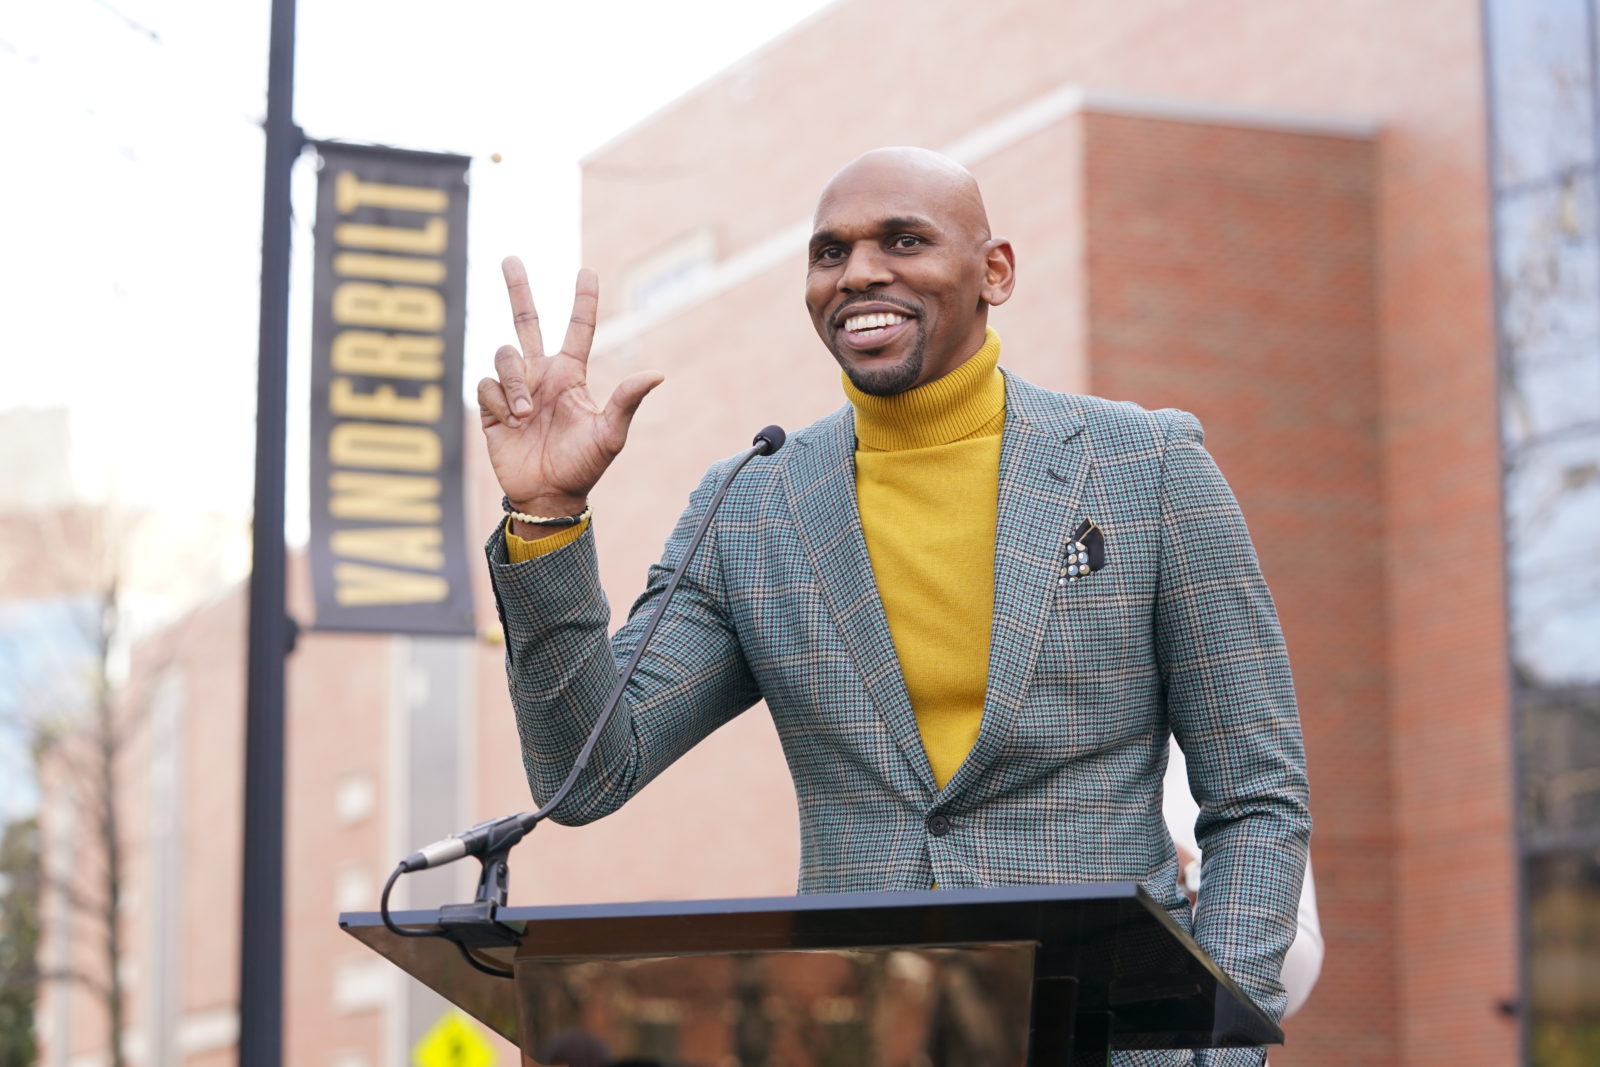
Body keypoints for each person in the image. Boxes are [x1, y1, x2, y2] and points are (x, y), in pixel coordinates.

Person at [478, 147, 1311, 1065]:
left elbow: (1257, 795)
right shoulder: (752, 504)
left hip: (1109, 1036)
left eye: (904, 240)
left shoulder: (1145, 467)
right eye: (829, 253)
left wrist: (1215, 1042)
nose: (860, 272)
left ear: (994, 271)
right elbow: (591, 769)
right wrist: (547, 517)